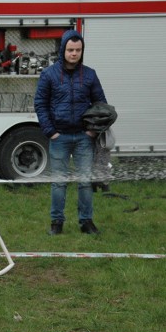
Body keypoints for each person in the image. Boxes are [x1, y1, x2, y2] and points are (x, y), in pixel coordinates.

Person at [34, 30, 107, 235]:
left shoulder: (90, 74)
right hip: (59, 137)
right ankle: (57, 223)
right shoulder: (49, 75)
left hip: (84, 138)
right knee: (59, 182)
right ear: (63, 50)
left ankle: (86, 222)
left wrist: (92, 131)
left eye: (78, 50)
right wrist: (50, 131)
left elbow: (101, 104)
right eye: (70, 50)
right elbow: (40, 104)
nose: (74, 54)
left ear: (82, 51)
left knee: (85, 182)